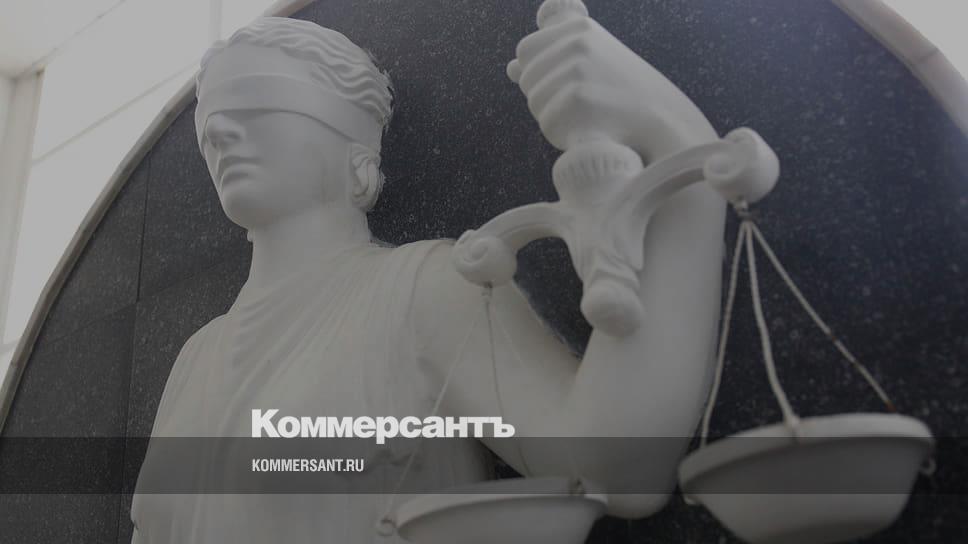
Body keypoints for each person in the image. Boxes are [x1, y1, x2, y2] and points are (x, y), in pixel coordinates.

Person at [132, 13, 725, 543]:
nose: (220, 133)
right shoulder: (194, 360)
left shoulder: (419, 290)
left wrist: (683, 149)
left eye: (258, 104)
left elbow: (609, 468)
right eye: (210, 121)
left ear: (353, 145)